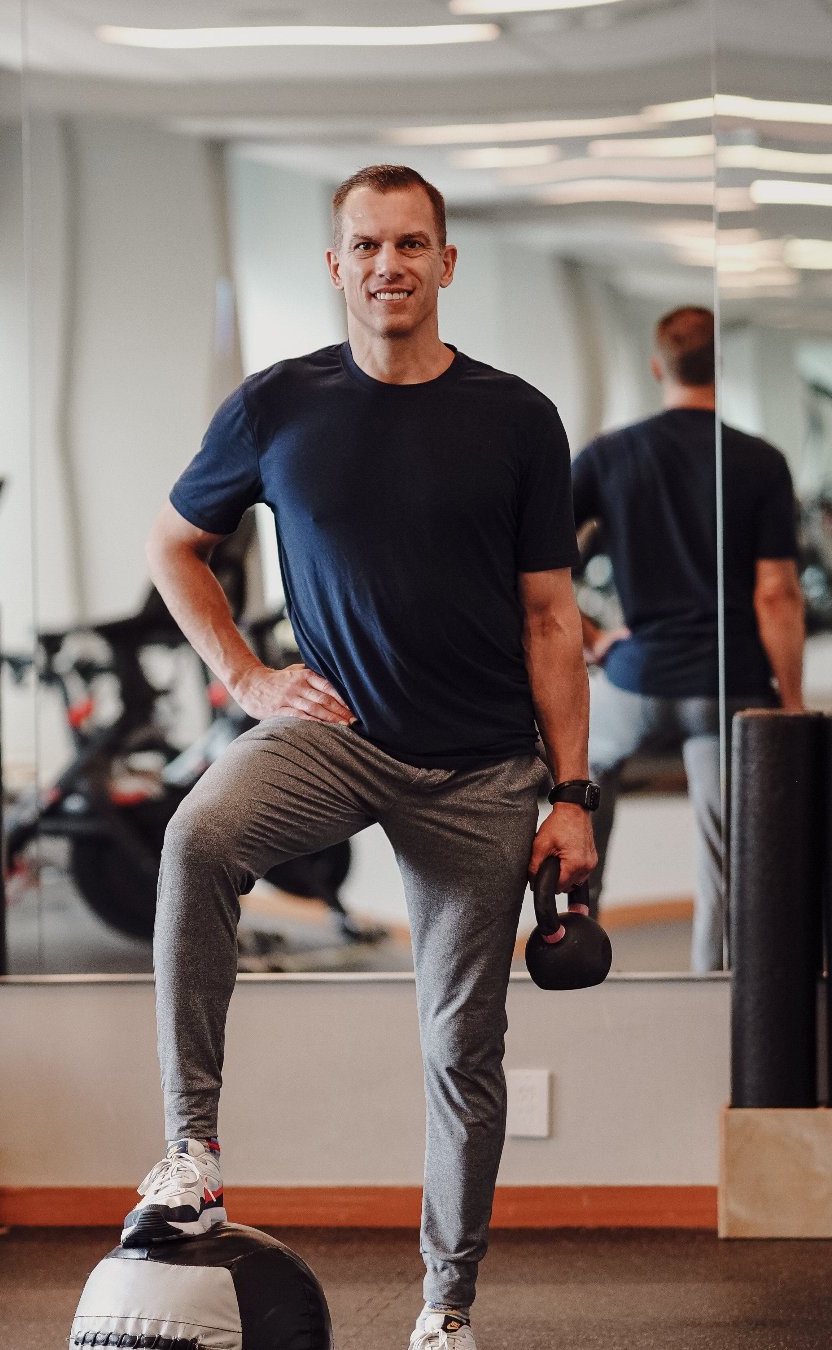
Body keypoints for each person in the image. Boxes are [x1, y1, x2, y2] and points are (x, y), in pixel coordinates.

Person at [126, 163, 597, 1350]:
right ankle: (191, 1152)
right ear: (335, 266)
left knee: (461, 1047)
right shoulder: (276, 407)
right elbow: (177, 545)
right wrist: (244, 676)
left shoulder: (519, 418)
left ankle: (446, 1308)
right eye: (365, 244)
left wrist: (573, 796)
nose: (388, 264)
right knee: (198, 835)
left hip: (485, 769)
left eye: (411, 244)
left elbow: (552, 620)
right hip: (336, 737)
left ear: (446, 264)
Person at [572, 305, 805, 972]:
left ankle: (581, 932)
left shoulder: (611, 454)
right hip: (722, 684)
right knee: (724, 860)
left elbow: (531, 566)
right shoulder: (761, 461)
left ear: (656, 368)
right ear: (719, 368)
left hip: (635, 676)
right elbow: (776, 595)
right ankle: (714, 984)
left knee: (582, 784)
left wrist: (594, 640)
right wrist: (787, 703)